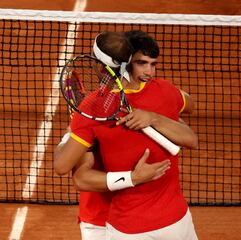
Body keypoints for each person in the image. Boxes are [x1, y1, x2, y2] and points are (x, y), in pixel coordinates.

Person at [54, 30, 198, 239]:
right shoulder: (165, 90)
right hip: (176, 220)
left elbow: (64, 168)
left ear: (99, 67)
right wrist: (159, 117)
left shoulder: (91, 110)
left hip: (125, 225)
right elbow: (190, 123)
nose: (148, 71)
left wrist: (68, 135)